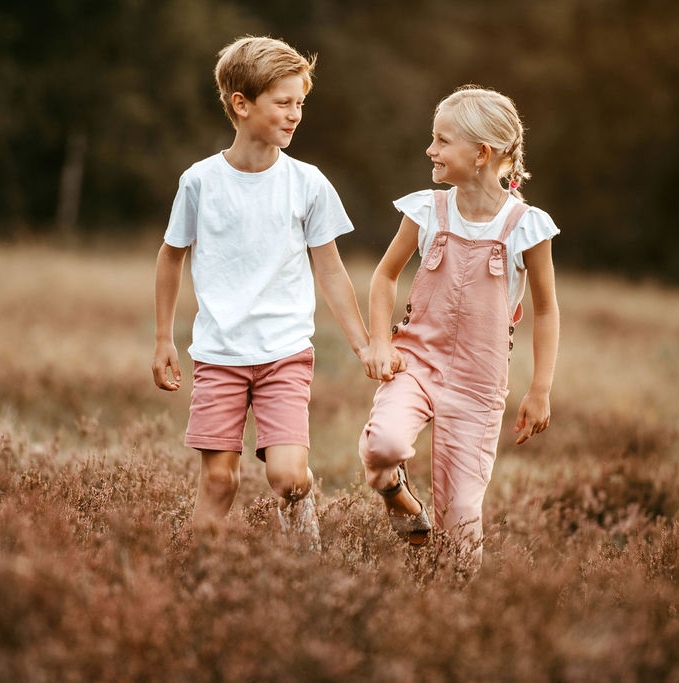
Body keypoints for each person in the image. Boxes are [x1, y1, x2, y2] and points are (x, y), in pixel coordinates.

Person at [152, 36, 373, 550]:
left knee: (289, 478)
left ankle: (302, 567)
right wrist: (163, 339)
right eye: (284, 103)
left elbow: (331, 270)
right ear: (242, 103)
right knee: (218, 481)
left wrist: (363, 344)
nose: (296, 115)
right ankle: (201, 576)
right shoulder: (199, 182)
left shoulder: (308, 183)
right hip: (219, 355)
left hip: (285, 354)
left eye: (301, 103)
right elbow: (170, 256)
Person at [358, 85, 560, 564]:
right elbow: (385, 276)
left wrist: (540, 389)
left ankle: (448, 596)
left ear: (481, 154)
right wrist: (380, 342)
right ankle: (396, 493)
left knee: (461, 520)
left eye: (442, 141)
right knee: (383, 446)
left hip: (478, 384)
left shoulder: (527, 226)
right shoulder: (427, 210)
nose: (431, 149)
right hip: (416, 364)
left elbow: (546, 310)